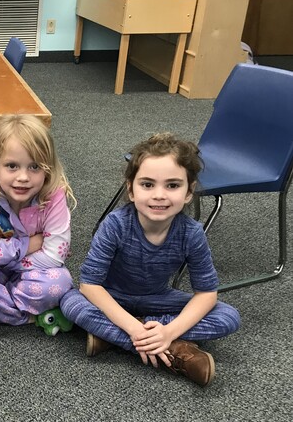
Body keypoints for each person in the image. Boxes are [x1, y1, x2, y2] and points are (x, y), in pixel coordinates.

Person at [60, 133, 241, 386]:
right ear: (131, 190)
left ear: (189, 192)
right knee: (69, 302)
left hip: (157, 299)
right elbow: (90, 285)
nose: (159, 195)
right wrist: (136, 331)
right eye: (147, 184)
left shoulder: (191, 233)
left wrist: (169, 331)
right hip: (114, 295)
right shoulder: (115, 224)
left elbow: (207, 294)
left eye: (172, 185)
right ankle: (173, 352)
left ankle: (112, 336)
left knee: (228, 317)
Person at [0, 114, 75, 328]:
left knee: (60, 281)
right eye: (12, 166)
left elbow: (55, 256)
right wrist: (29, 245)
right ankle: (26, 315)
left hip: (34, 272)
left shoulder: (54, 194)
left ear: (48, 168)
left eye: (34, 167)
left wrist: (9, 259)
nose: (23, 177)